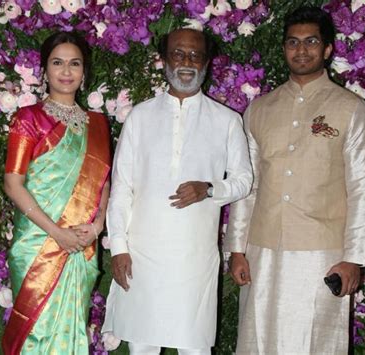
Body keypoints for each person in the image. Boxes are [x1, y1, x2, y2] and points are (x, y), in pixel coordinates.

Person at [225, 6, 365, 354]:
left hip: (321, 255)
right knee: (258, 340)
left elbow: (362, 189)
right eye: (293, 42)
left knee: (315, 343)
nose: (301, 50)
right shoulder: (260, 109)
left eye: (311, 42)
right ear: (284, 48)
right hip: (261, 250)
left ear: (327, 49)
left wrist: (353, 258)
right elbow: (247, 185)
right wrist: (237, 249)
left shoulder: (350, 109)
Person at [102, 28, 252, 354]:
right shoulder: (140, 117)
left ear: (207, 63)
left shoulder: (227, 120)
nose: (187, 62)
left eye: (195, 55)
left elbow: (244, 180)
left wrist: (209, 189)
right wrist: (118, 248)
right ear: (165, 60)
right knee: (141, 345)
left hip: (194, 261)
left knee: (194, 347)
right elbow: (122, 189)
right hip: (141, 256)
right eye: (178, 54)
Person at [1, 32, 111, 354]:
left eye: (74, 63)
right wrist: (56, 233)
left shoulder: (98, 124)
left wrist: (98, 225)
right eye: (58, 63)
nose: (66, 71)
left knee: (71, 326)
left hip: (81, 241)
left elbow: (103, 181)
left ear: (84, 71)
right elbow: (12, 183)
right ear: (45, 71)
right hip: (38, 243)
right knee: (34, 333)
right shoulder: (29, 119)